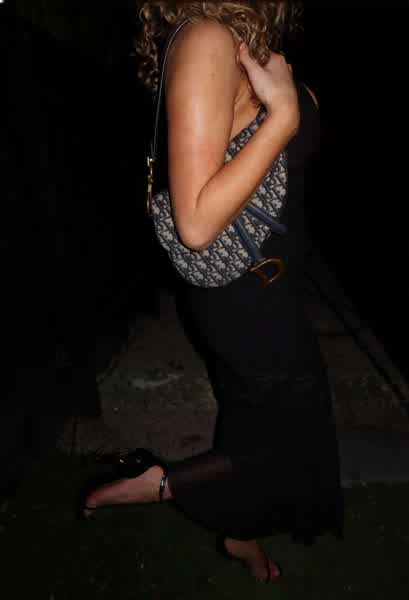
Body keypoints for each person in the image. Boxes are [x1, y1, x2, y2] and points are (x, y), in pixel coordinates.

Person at [81, 1, 344, 583]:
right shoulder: (206, 38)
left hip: (265, 287)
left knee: (255, 419)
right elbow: (197, 224)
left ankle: (238, 532)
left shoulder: (239, 38)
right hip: (248, 297)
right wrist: (284, 117)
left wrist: (290, 108)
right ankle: (163, 484)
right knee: (295, 434)